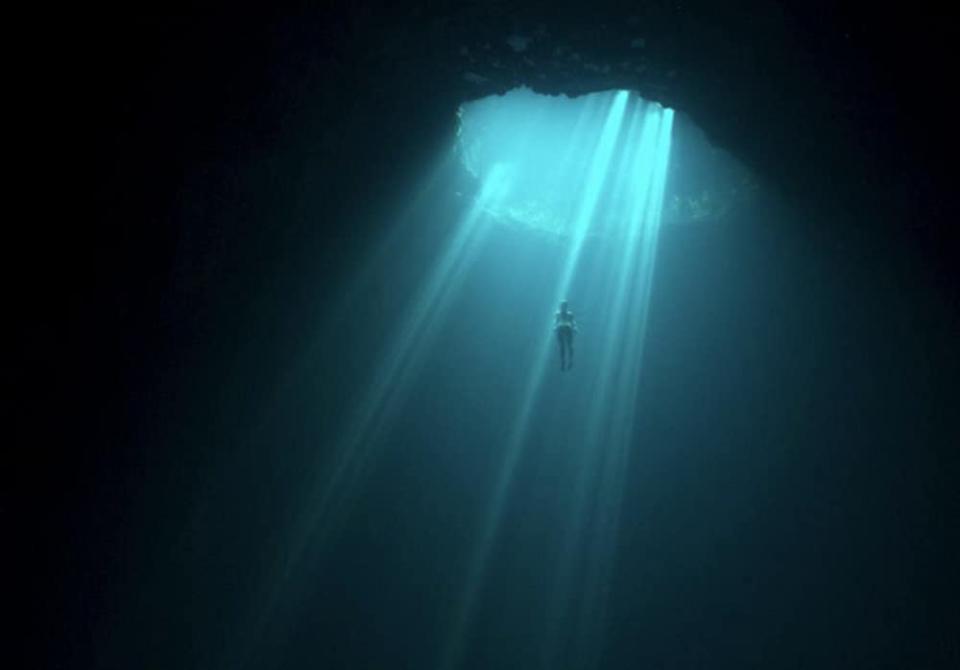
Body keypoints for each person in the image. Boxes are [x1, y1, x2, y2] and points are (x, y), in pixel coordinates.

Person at [554, 300, 577, 371]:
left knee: (569, 345)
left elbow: (573, 322)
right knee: (562, 346)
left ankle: (570, 360)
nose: (563, 307)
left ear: (566, 307)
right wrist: (554, 326)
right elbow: (555, 321)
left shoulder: (570, 314)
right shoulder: (557, 314)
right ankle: (563, 361)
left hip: (567, 328)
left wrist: (575, 327)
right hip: (560, 328)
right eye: (562, 306)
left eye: (564, 306)